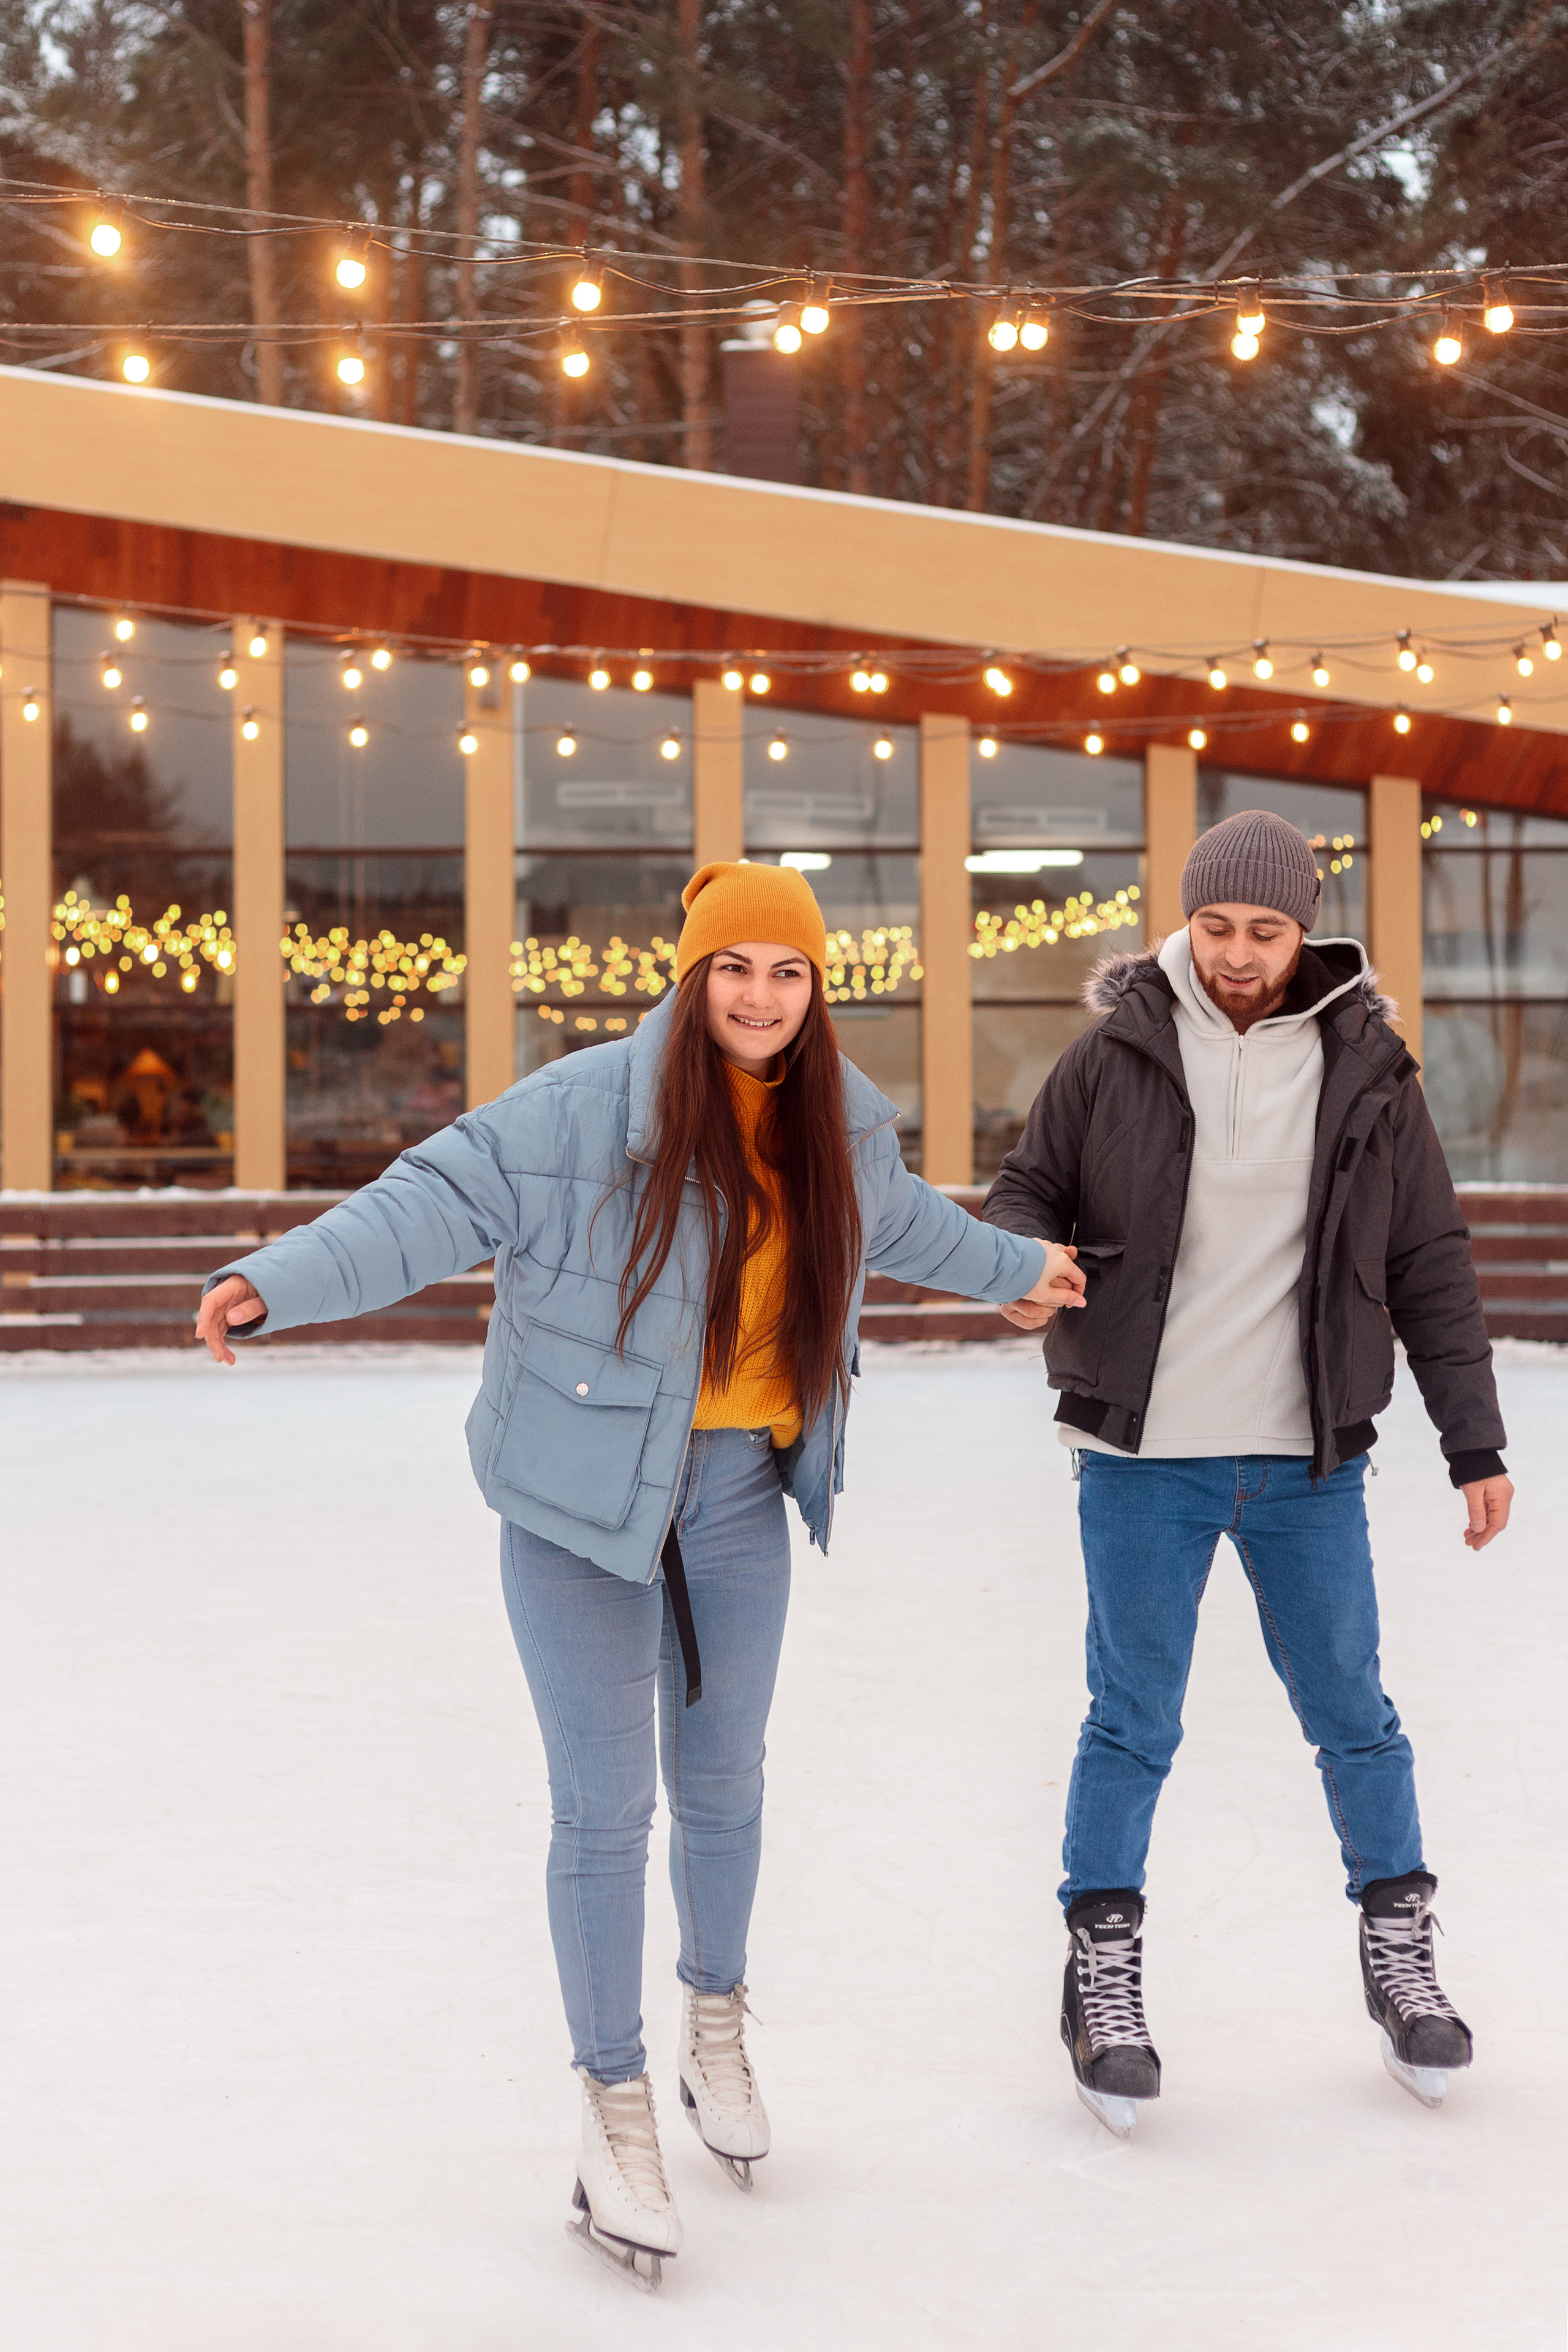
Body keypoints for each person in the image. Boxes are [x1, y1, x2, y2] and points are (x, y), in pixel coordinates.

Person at [195, 859, 1084, 2288]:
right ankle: (610, 2106)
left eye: (786, 972)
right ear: (689, 978)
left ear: (813, 991)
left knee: (724, 1779)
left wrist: (1011, 1269)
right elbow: (426, 1204)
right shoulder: (574, 1111)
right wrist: (280, 1280)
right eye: (733, 969)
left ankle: (712, 2024)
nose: (758, 995)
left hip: (737, 1492)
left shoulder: (836, 1122)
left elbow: (901, 1222)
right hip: (573, 1505)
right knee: (605, 1809)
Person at [984, 809, 1512, 2137]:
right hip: (1138, 1454)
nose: (1233, 953)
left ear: (1302, 930)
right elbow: (1026, 1189)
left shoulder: (1369, 1069)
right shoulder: (1110, 1052)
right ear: (1184, 918)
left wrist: (1473, 1442)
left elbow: (1427, 1263)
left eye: (1261, 931)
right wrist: (1015, 1272)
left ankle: (1399, 1954)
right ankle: (1099, 1975)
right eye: (1213, 927)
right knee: (1131, 1716)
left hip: (1303, 1457)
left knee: (1351, 1710)